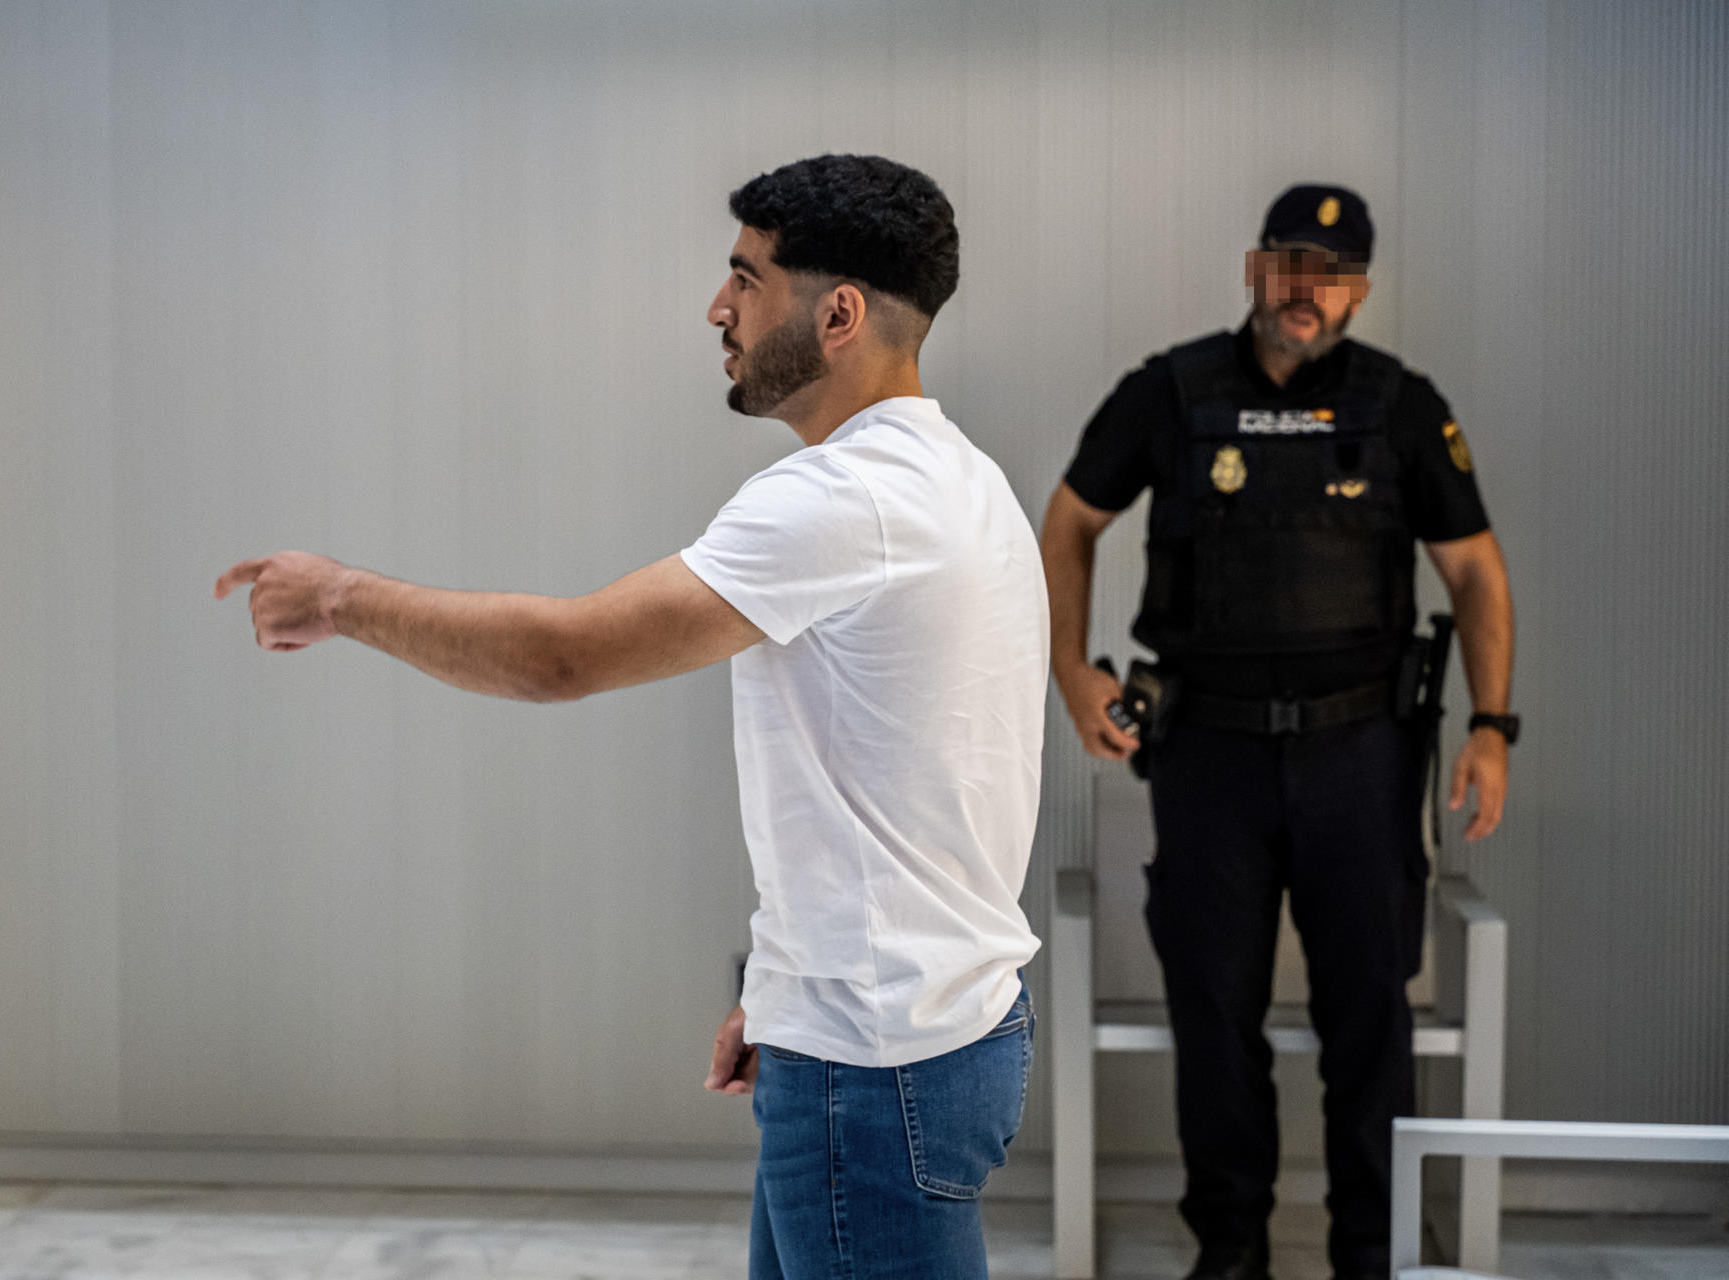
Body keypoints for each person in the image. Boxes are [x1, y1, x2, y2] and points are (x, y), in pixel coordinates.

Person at [216, 154, 1048, 1280]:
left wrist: (339, 597)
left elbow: (562, 656)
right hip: (898, 1029)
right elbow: (914, 785)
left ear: (838, 314)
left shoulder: (844, 499)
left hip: (875, 1062)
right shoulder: (961, 478)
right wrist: (784, 992)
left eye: (746, 279)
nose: (718, 308)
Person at [1039, 184, 1517, 1280]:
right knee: (1213, 1008)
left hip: (1362, 756)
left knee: (1369, 1014)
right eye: (1292, 265)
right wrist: (1070, 670)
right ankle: (1232, 1247)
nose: (1310, 290)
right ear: (1258, 270)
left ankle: (1371, 1251)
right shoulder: (1172, 393)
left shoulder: (1400, 406)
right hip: (1209, 756)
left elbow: (1476, 568)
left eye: (1334, 274)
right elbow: (1069, 520)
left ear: (1359, 291)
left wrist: (1493, 726)